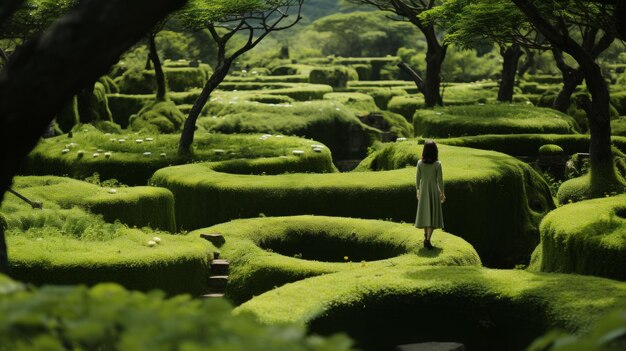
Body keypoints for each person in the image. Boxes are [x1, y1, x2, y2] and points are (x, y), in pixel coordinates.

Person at [415, 140, 445, 249]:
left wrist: (417, 190)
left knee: (425, 214)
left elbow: (417, 179)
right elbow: (440, 181)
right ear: (435, 151)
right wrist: (442, 193)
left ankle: (426, 237)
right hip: (433, 191)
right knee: (431, 216)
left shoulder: (419, 163)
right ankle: (427, 240)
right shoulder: (438, 164)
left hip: (423, 191)